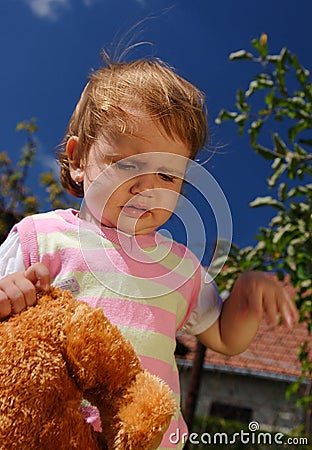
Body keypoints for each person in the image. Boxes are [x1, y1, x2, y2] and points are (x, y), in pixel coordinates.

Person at [0, 56, 298, 449]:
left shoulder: (180, 267)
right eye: (127, 164)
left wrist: (246, 295)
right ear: (77, 161)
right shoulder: (42, 236)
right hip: (51, 432)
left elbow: (226, 337)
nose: (148, 186)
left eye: (168, 175)